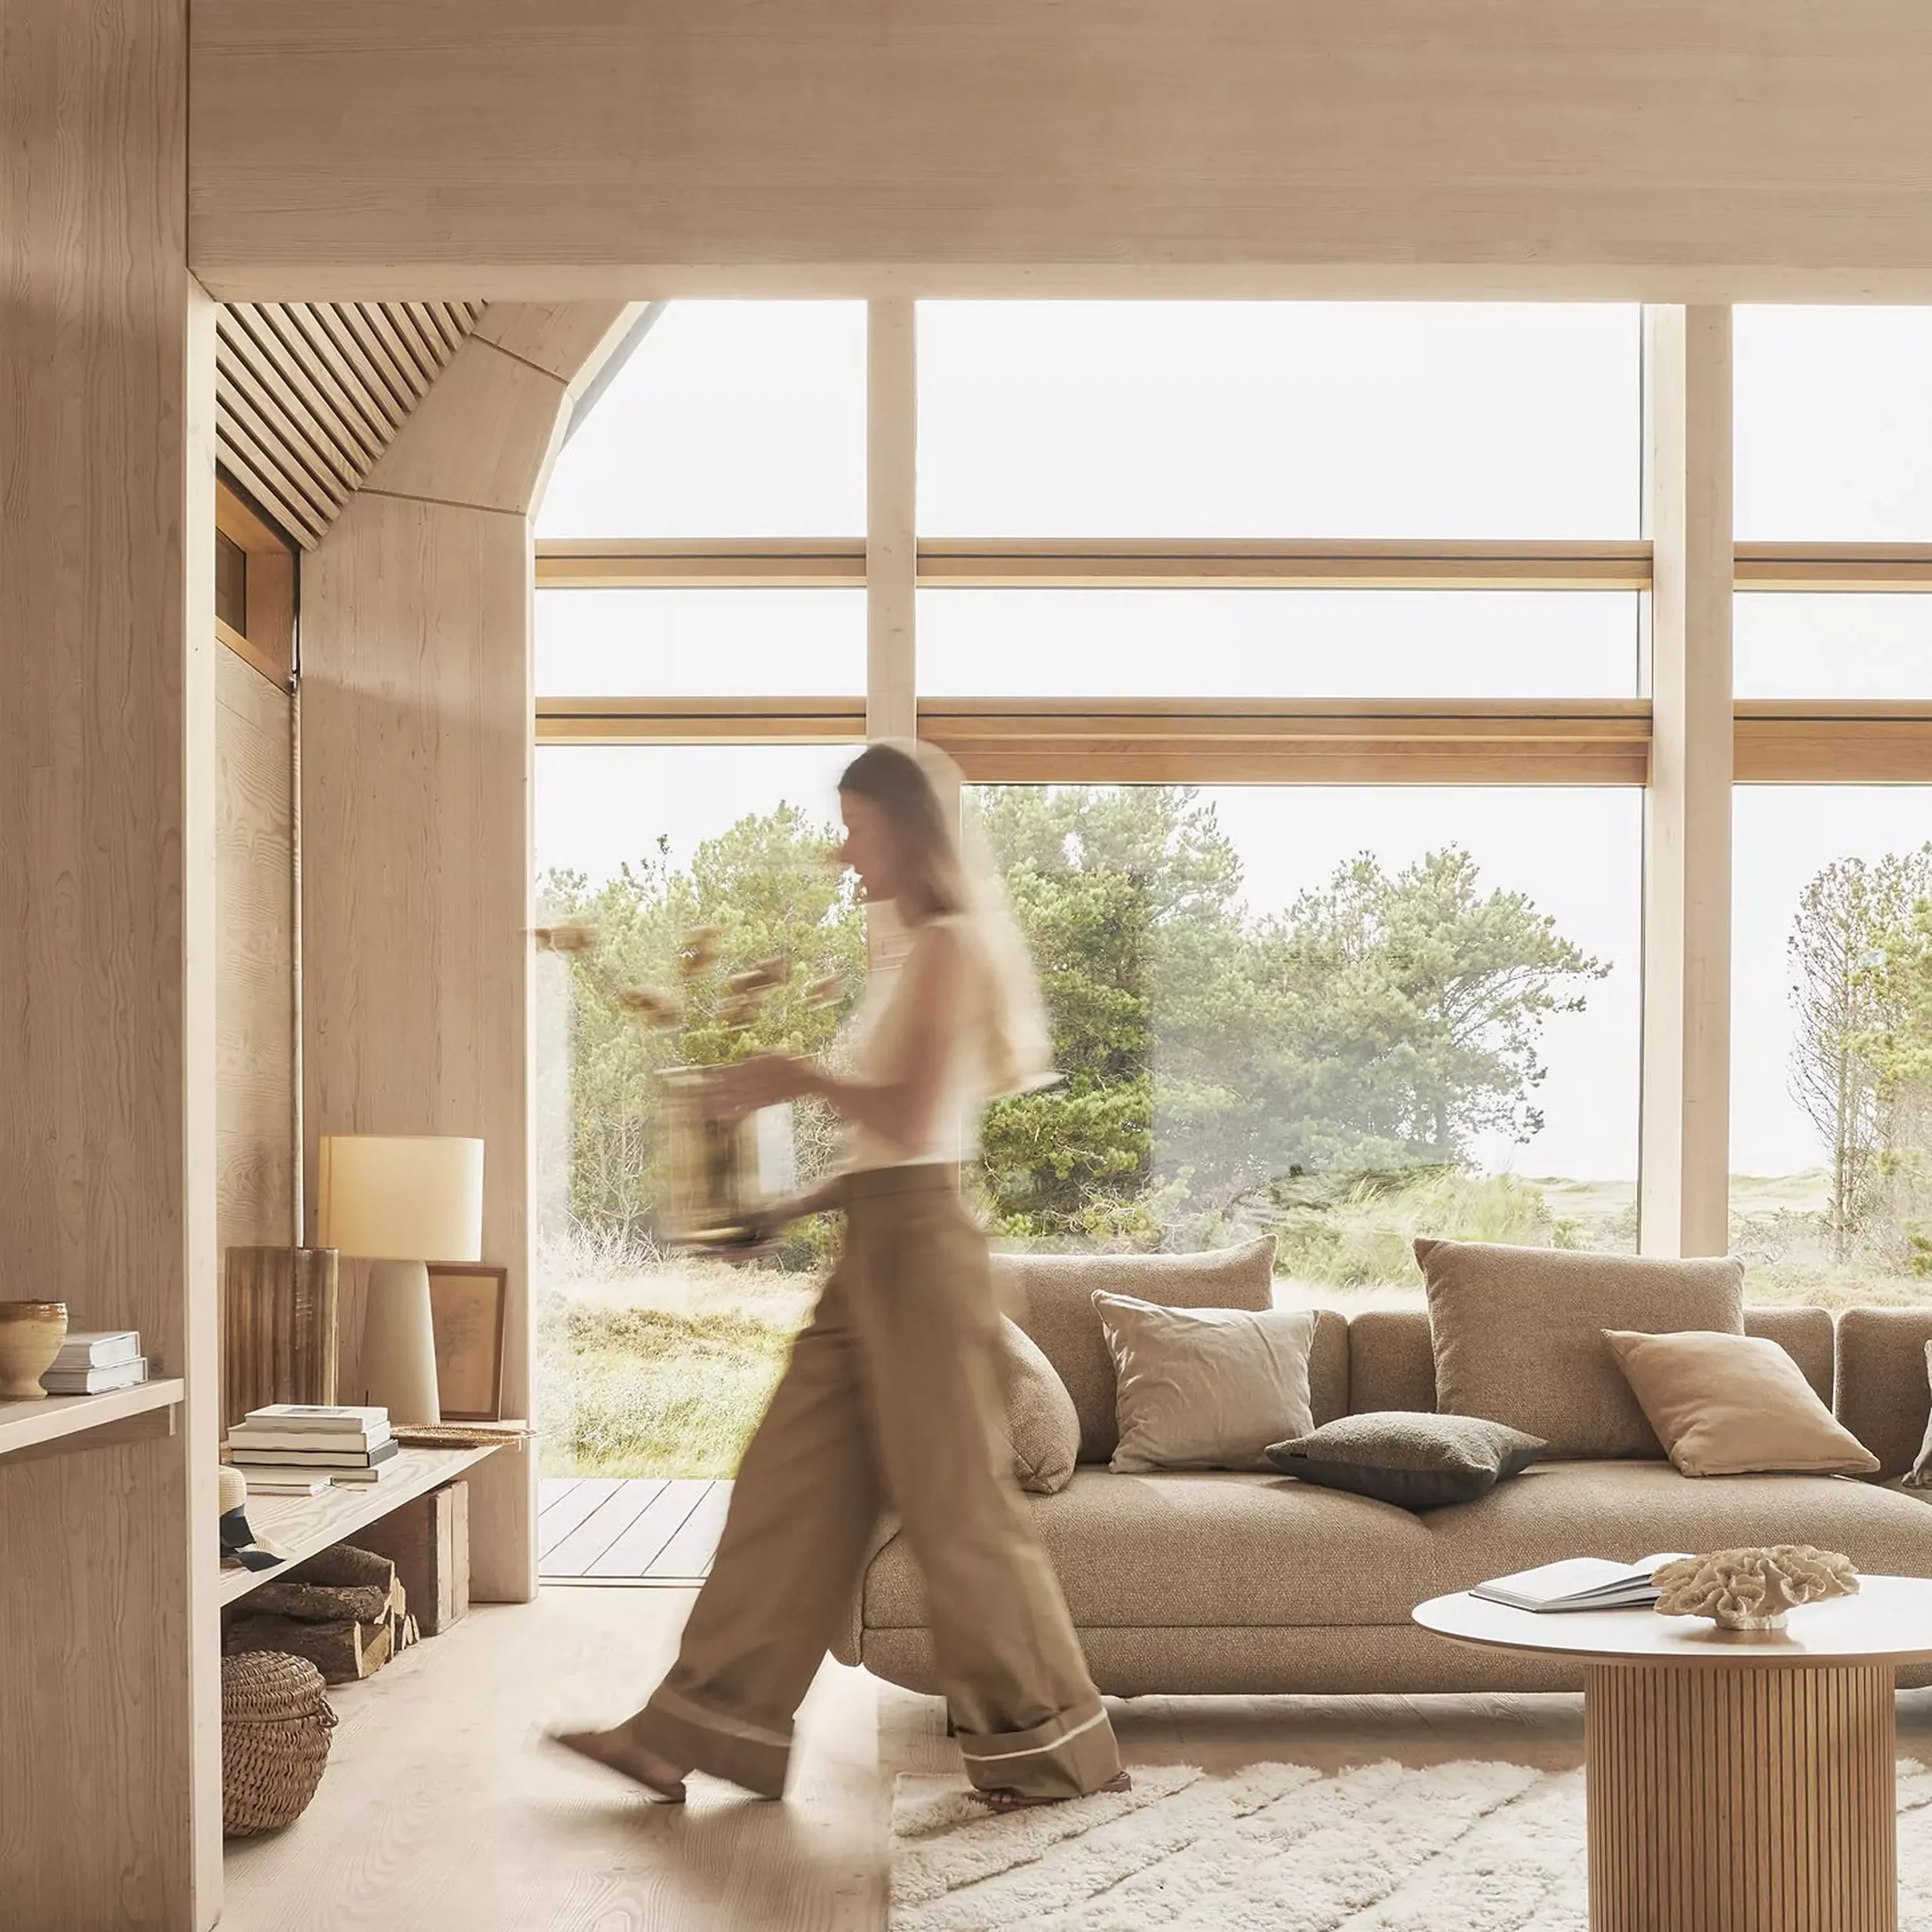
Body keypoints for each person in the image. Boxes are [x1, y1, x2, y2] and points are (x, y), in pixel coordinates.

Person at [554, 742, 1128, 1813]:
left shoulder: (953, 948)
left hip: (920, 1264)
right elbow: (896, 1154)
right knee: (787, 1490)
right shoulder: (919, 961)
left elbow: (913, 1127)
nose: (841, 847)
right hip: (877, 1247)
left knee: (958, 1512)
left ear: (905, 830)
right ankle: (683, 1733)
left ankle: (1055, 1749)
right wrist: (781, 1208)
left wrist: (790, 1077)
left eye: (856, 825)